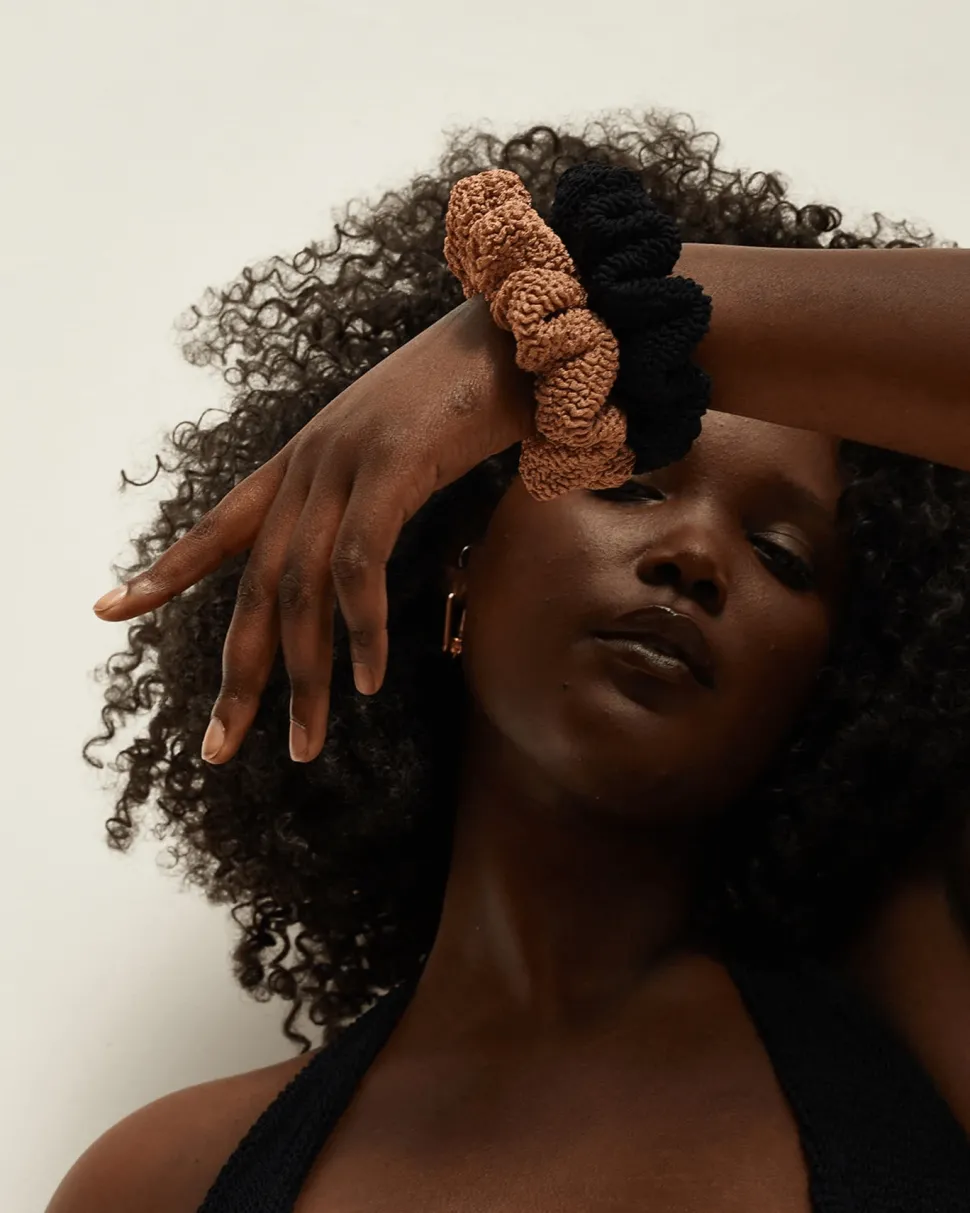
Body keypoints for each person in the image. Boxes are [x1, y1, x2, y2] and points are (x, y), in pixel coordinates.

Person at [49, 113, 970, 1212]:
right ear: (454, 555)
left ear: (840, 683)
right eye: (627, 482)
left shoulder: (929, 1012)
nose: (694, 554)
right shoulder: (160, 1180)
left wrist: (581, 325)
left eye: (781, 555)